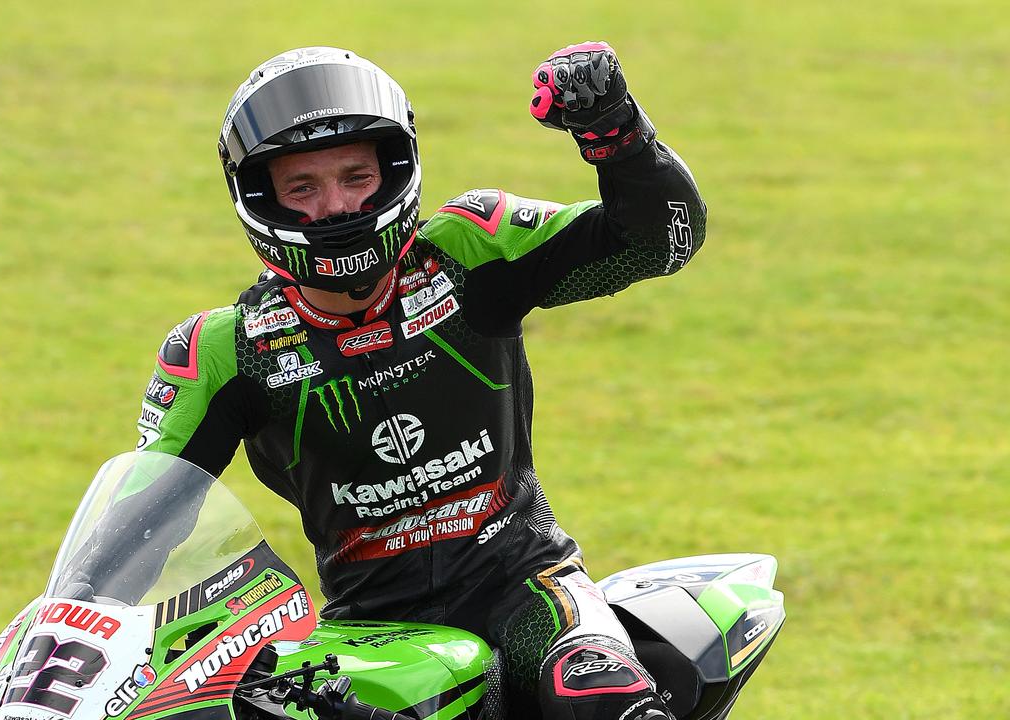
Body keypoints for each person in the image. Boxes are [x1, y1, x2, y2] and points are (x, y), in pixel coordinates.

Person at [136, 44, 705, 720]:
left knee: (598, 689)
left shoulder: (471, 250)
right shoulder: (223, 351)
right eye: (302, 187)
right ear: (261, 199)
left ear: (395, 170)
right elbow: (137, 526)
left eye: (356, 176)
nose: (336, 207)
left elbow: (658, 244)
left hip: (528, 586)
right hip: (367, 628)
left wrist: (615, 132)